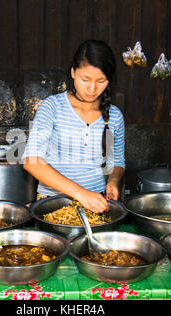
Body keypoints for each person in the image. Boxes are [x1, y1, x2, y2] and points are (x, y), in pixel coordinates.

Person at [22, 40, 125, 213]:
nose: (92, 88)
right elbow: (32, 162)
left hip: (96, 204)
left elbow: (117, 161)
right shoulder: (52, 107)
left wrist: (113, 181)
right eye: (85, 79)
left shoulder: (114, 116)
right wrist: (82, 194)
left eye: (101, 81)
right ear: (73, 72)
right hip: (52, 205)